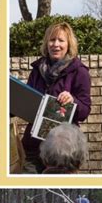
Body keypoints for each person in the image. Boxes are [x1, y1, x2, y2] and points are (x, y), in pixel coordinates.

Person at [21, 22, 91, 173]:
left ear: (69, 44)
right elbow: (27, 103)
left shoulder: (80, 72)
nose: (56, 44)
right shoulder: (37, 70)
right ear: (47, 43)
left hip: (63, 150)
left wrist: (73, 101)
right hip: (34, 147)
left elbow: (84, 111)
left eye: (61, 40)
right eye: (52, 40)